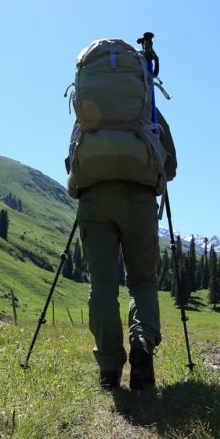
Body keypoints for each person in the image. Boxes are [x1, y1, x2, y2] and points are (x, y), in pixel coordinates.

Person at [68, 111, 177, 391]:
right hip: (138, 200)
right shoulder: (147, 106)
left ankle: (108, 370)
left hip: (94, 200)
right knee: (142, 280)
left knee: (102, 285)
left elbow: (73, 161)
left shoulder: (88, 105)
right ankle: (142, 339)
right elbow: (171, 167)